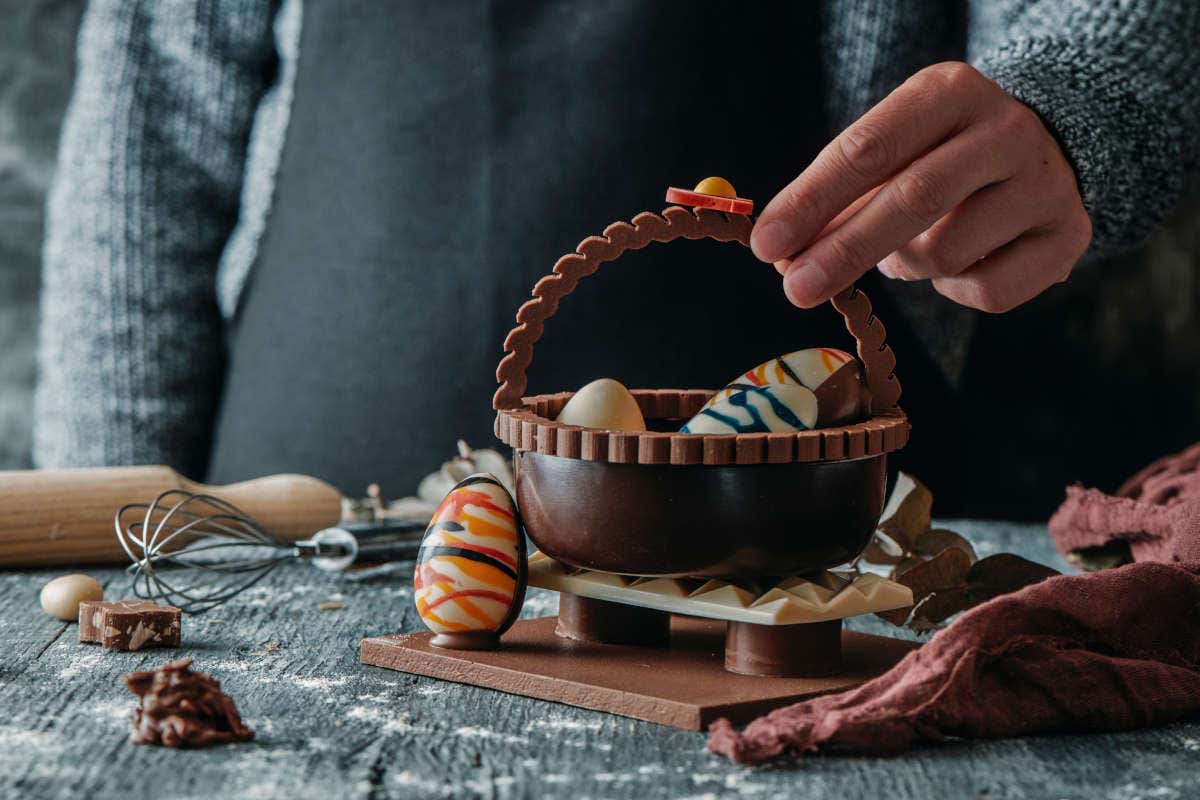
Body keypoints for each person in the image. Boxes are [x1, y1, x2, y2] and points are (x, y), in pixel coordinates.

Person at [34, 1, 1200, 517]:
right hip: (298, 534)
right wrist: (104, 529)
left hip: (814, 569)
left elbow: (1124, 18)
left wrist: (1066, 113)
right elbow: (150, 126)